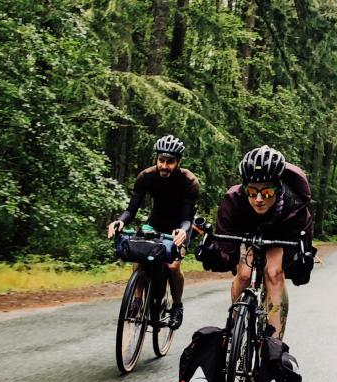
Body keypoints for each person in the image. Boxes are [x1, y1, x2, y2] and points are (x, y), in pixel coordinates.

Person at [198, 145, 313, 339]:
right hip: (248, 228)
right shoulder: (233, 199)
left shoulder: (295, 205)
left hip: (281, 230)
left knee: (273, 272)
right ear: (244, 189)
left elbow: (302, 243)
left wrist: (301, 261)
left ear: (278, 188)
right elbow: (226, 247)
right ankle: (235, 325)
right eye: (252, 192)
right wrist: (215, 254)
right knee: (243, 274)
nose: (259, 199)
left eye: (266, 193)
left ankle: (274, 343)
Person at [107, 135, 199, 329]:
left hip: (180, 225)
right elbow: (131, 210)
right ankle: (138, 300)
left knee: (173, 267)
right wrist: (120, 222)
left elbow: (186, 217)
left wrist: (183, 231)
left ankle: (176, 306)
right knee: (138, 255)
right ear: (156, 159)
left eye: (170, 162)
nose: (164, 166)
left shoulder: (189, 181)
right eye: (161, 160)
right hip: (156, 222)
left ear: (178, 162)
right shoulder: (146, 176)